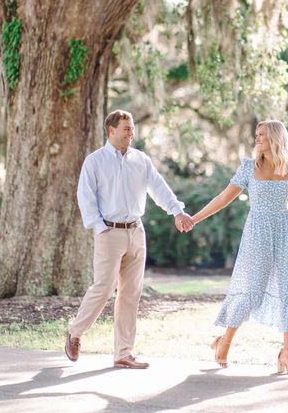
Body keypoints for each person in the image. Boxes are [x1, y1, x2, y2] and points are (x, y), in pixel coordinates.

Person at [65, 109, 194, 369]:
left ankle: (123, 352)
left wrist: (177, 211)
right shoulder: (95, 161)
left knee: (130, 294)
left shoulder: (141, 160)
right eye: (126, 128)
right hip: (109, 233)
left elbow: (159, 188)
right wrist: (100, 228)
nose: (131, 133)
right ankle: (75, 332)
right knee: (102, 288)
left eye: (132, 128)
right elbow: (85, 197)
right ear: (111, 130)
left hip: (136, 231)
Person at [190, 119, 288, 373]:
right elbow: (223, 198)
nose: (256, 139)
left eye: (262, 135)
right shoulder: (249, 166)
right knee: (251, 290)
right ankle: (225, 340)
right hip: (257, 233)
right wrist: (194, 218)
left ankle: (287, 354)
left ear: (275, 138)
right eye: (256, 134)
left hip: (286, 233)